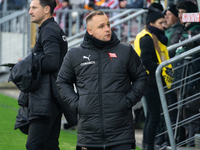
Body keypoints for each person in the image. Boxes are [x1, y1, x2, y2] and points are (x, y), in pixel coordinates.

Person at [56, 10, 149, 150]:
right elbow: (62, 82)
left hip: (121, 134)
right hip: (89, 136)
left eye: (108, 24)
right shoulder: (74, 54)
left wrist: (128, 100)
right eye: (101, 26)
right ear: (90, 30)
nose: (107, 29)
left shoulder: (125, 51)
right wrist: (77, 104)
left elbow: (142, 77)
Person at [25, 0, 77, 149]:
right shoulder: (52, 29)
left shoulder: (48, 30)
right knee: (50, 145)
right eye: (30, 8)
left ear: (47, 9)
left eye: (34, 7)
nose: (30, 11)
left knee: (34, 145)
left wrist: (27, 64)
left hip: (46, 98)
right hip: (51, 96)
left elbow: (52, 62)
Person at [134, 5, 173, 150]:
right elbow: (146, 61)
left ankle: (147, 145)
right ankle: (149, 146)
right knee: (153, 116)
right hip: (151, 82)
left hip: (150, 81)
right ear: (151, 23)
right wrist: (161, 68)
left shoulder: (150, 36)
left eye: (164, 22)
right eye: (160, 23)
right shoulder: (147, 38)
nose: (164, 25)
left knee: (151, 116)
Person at [173, 1, 200, 147]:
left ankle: (192, 144)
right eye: (179, 13)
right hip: (180, 76)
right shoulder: (179, 29)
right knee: (182, 111)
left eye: (183, 12)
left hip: (192, 78)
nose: (180, 16)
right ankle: (183, 141)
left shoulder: (197, 30)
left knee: (191, 111)